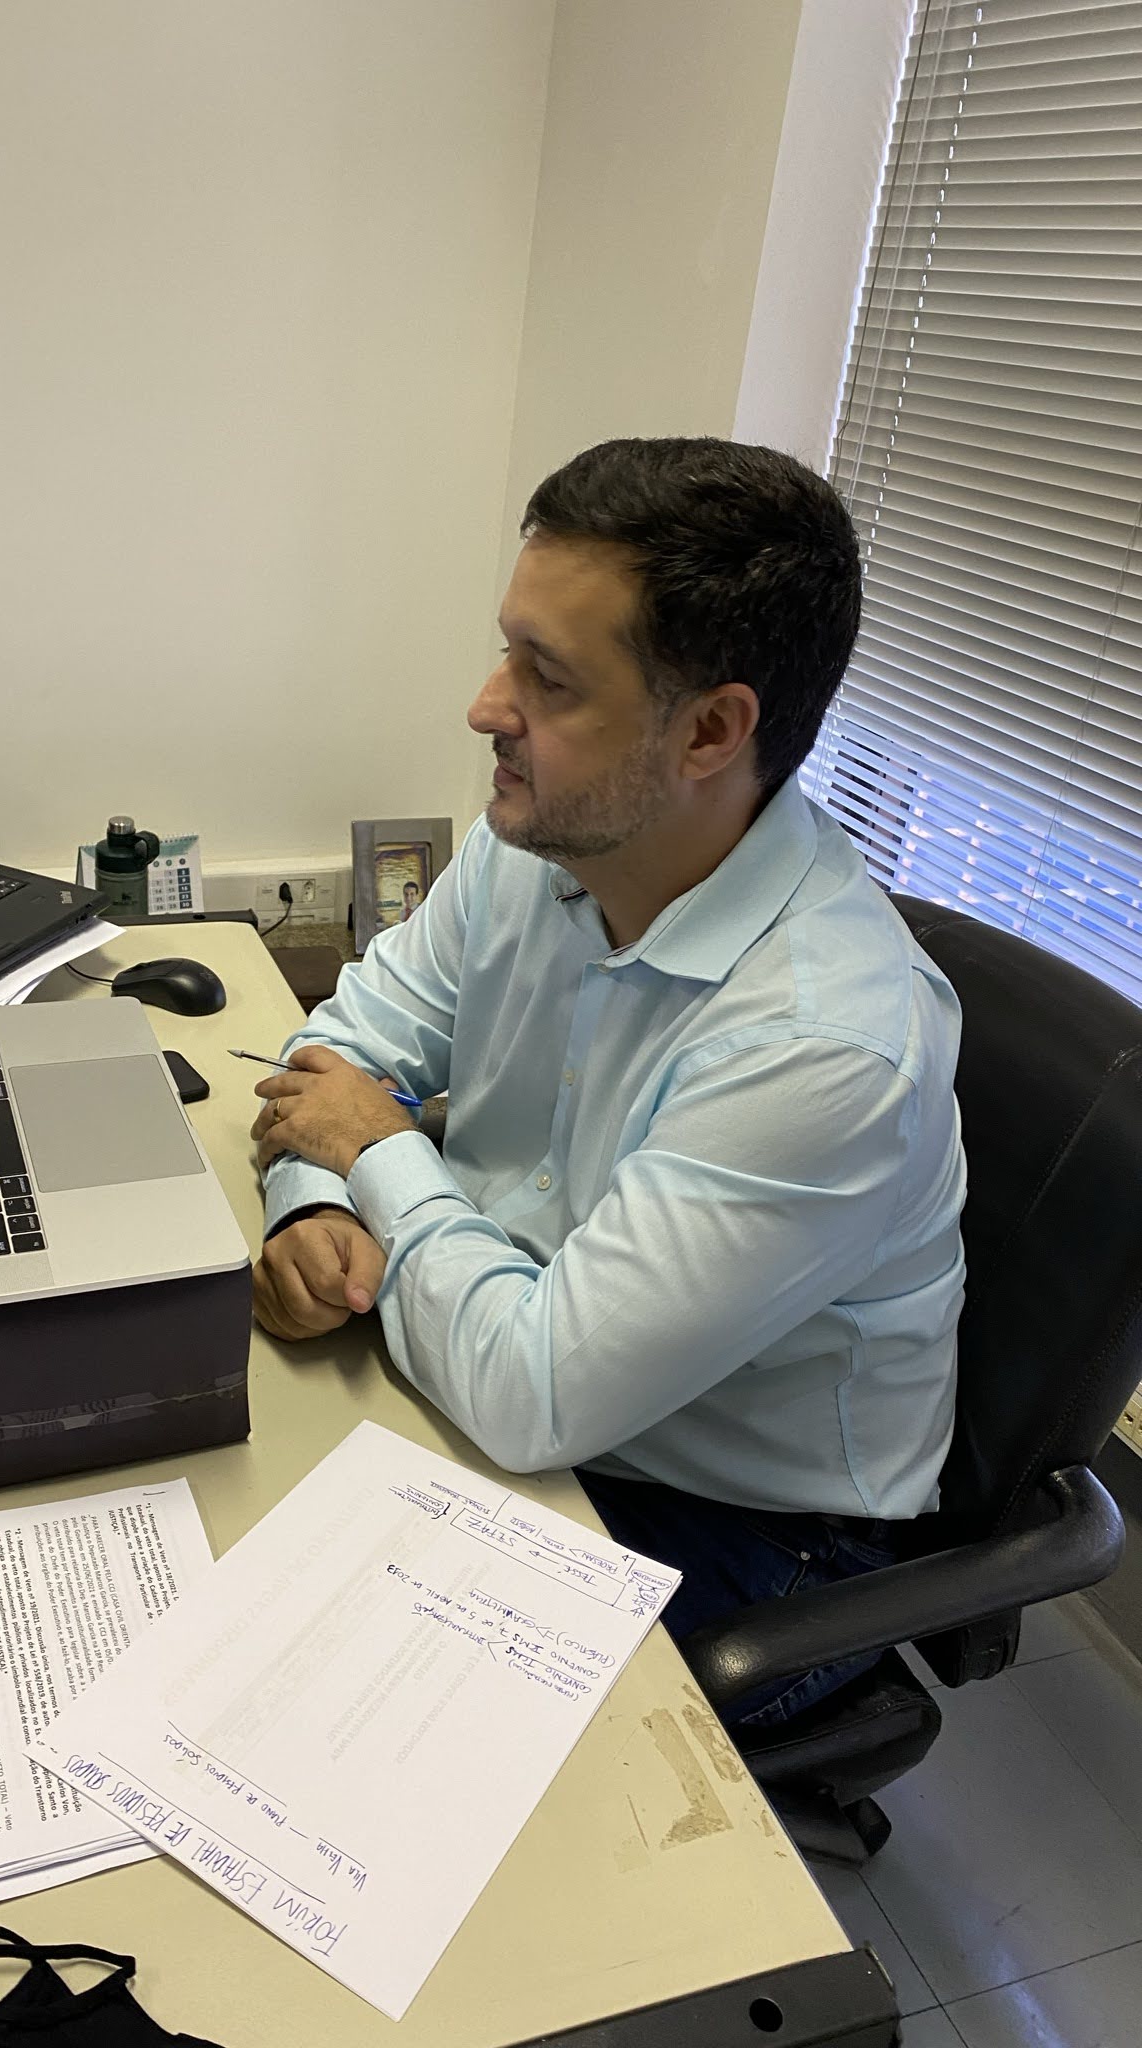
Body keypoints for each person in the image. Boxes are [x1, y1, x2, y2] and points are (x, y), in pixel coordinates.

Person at [250, 437, 966, 1729]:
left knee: (304, 1700)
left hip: (737, 1527)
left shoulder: (828, 1046)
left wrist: (373, 1154)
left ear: (711, 731)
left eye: (549, 676)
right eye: (507, 650)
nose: (487, 706)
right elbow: (341, 1058)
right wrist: (315, 1205)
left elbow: (532, 1398)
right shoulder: (545, 840)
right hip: (506, 1354)